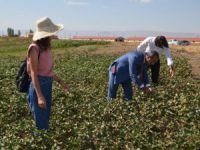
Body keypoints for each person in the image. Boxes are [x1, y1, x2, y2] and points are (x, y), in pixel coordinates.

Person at [26, 17, 69, 130]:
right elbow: (34, 73)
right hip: (38, 87)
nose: (52, 36)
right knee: (40, 122)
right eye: (51, 33)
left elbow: (47, 72)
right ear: (45, 35)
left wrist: (61, 82)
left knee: (44, 117)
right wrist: (40, 96)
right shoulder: (34, 49)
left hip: (47, 85)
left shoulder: (45, 48)